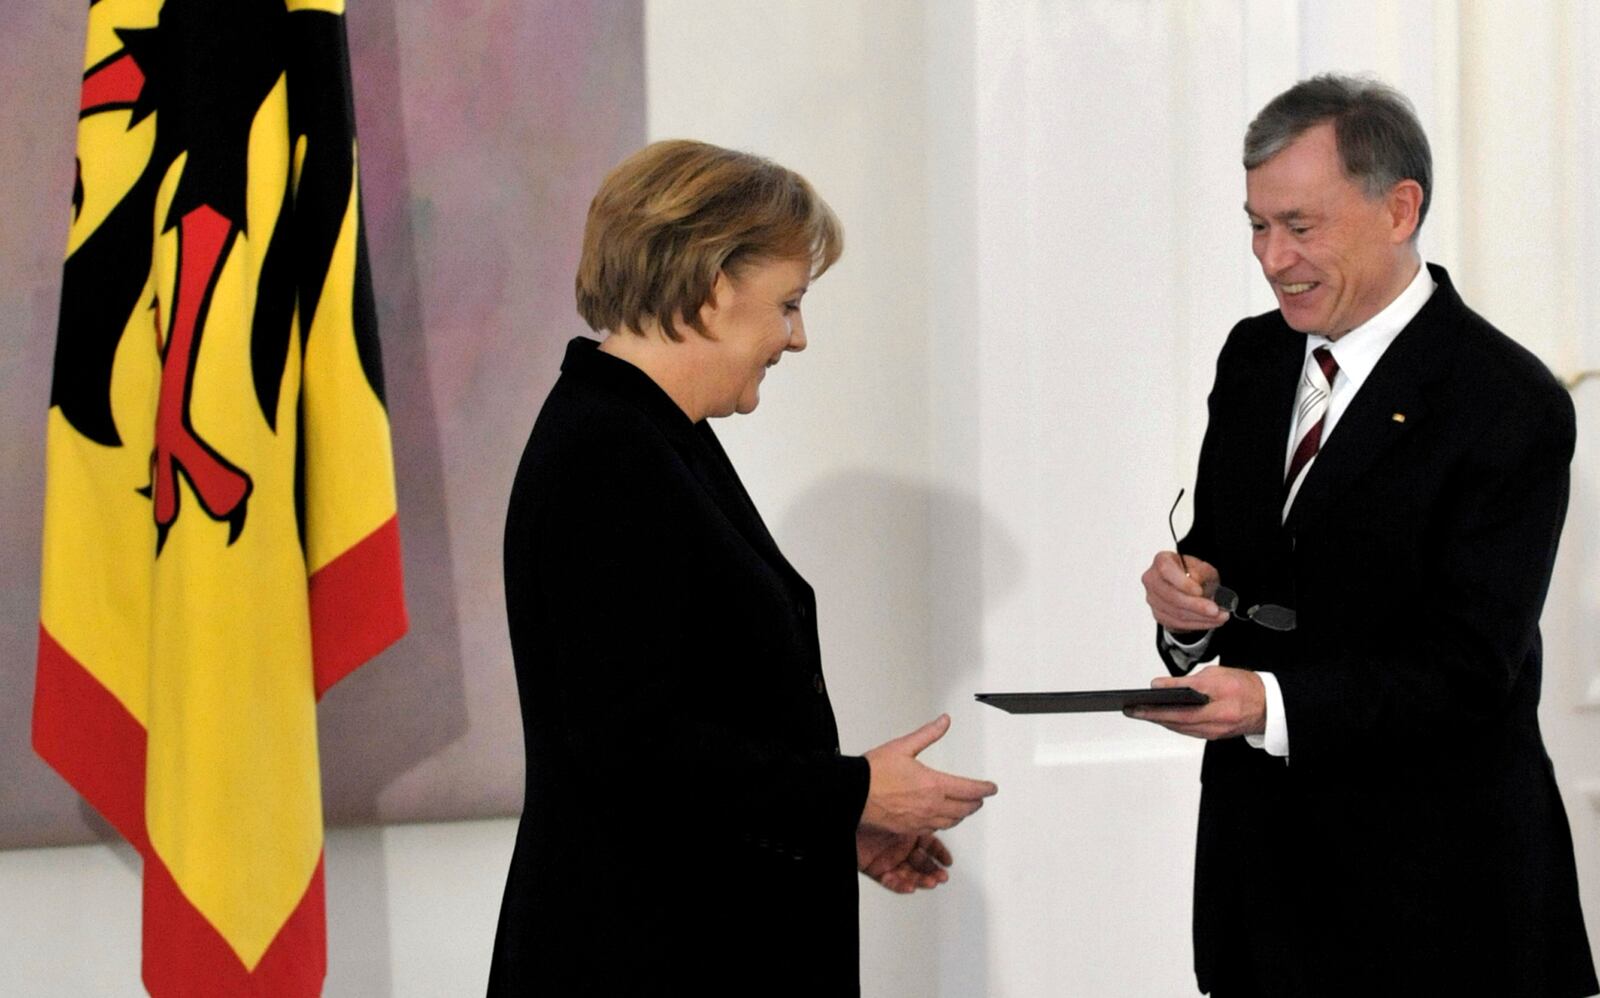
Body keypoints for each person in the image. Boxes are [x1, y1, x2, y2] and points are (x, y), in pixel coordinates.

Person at [487, 139, 998, 995]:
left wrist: (840, 821)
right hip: (642, 957)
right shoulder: (607, 453)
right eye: (788, 304)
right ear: (714, 285)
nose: (795, 339)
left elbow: (699, 721)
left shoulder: (654, 433)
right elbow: (629, 746)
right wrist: (849, 795)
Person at [1130, 74, 1597, 997]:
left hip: (1439, 906)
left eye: (1300, 226)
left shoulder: (1506, 402)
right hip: (1263, 889)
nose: (1272, 258)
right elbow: (1234, 580)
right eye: (1257, 225)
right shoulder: (1254, 357)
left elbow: (1469, 667)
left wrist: (1270, 704)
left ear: (1399, 209)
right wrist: (1188, 611)